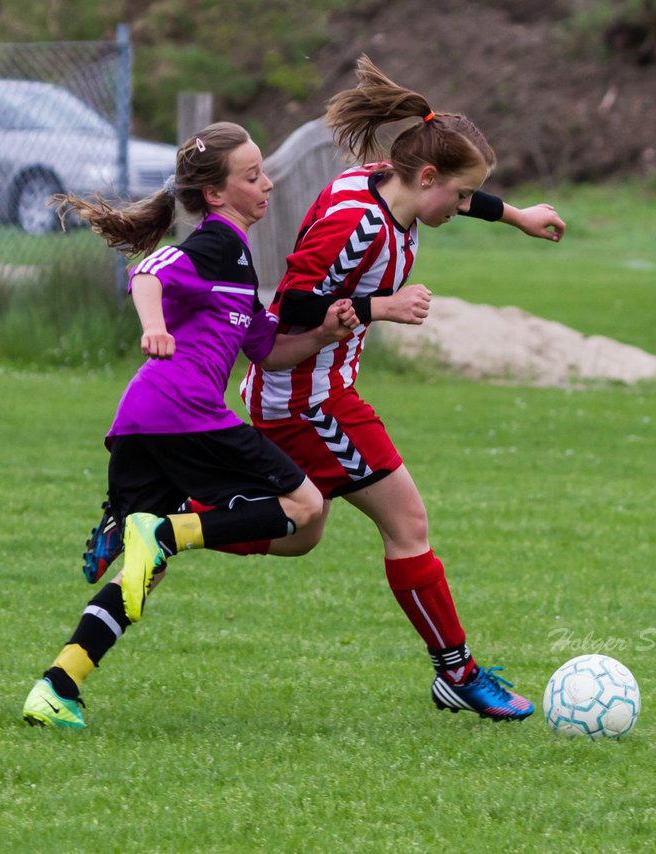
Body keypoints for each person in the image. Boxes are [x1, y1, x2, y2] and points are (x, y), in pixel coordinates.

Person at [237, 55, 567, 722]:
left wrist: (518, 215)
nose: (462, 204)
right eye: (460, 191)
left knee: (303, 532)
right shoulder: (357, 223)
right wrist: (380, 305)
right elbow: (293, 305)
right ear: (426, 176)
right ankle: (458, 673)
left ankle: (170, 519)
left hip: (317, 392)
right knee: (406, 523)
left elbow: (459, 197)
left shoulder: (384, 187)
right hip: (308, 399)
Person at [22, 122, 357, 729]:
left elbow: (266, 350)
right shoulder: (214, 245)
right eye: (252, 176)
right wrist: (154, 326)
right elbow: (147, 274)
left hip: (144, 422)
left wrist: (325, 335)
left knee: (140, 575)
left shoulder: (238, 263)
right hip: (183, 412)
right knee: (306, 507)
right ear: (216, 195)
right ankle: (169, 531)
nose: (268, 184)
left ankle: (56, 686)